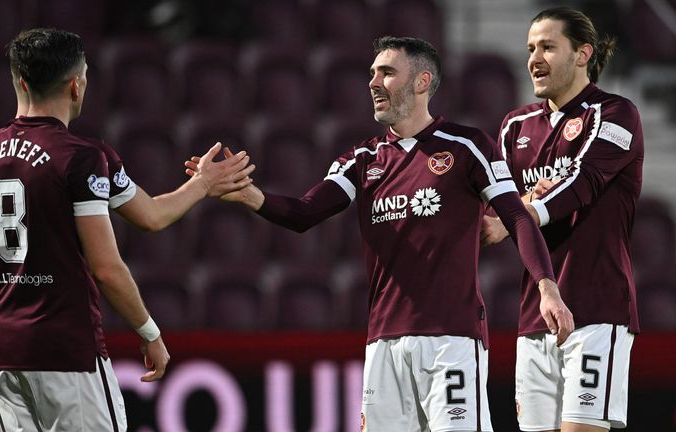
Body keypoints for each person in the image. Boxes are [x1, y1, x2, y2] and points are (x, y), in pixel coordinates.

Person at [190, 36, 574, 431]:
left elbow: (518, 217)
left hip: (452, 341)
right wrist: (249, 195)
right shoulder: (363, 159)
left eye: (387, 73)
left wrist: (547, 287)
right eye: (372, 73)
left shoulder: (468, 146)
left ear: (423, 82)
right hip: (383, 345)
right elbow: (305, 213)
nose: (373, 82)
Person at [0, 30, 254, 402]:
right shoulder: (83, 158)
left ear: (20, 83)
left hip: (1, 354)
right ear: (76, 86)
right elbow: (115, 258)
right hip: (67, 350)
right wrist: (150, 333)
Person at [480, 7, 642, 432]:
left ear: (582, 53)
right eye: (531, 47)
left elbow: (583, 182)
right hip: (535, 316)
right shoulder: (514, 126)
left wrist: (522, 210)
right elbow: (496, 204)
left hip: (596, 308)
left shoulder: (615, 114)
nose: (534, 57)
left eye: (548, 47)